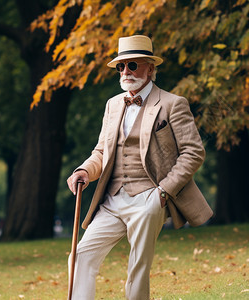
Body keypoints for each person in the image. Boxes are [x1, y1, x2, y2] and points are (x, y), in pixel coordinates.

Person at [66, 35, 213, 300]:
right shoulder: (112, 104)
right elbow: (102, 151)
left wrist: (163, 192)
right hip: (111, 199)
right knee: (80, 256)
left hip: (150, 196)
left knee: (138, 265)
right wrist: (84, 171)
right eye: (120, 67)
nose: (125, 72)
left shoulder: (172, 103)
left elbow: (194, 152)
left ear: (150, 68)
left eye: (132, 65)